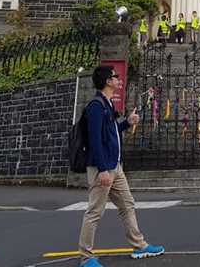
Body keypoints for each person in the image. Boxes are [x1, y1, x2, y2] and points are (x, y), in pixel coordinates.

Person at [78, 66, 164, 265]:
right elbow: (95, 140)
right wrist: (101, 169)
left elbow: (110, 131)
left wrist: (127, 122)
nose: (119, 79)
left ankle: (139, 245)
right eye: (115, 77)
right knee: (94, 212)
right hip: (104, 168)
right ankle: (86, 258)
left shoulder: (106, 104)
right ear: (108, 81)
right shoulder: (96, 106)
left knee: (127, 204)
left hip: (115, 167)